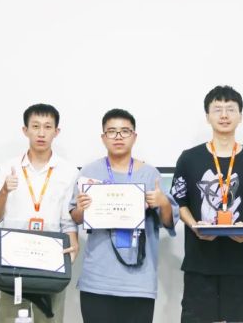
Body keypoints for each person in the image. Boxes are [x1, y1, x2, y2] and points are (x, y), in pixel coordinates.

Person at [70, 108, 179, 323]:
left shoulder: (150, 174)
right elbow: (75, 216)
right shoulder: (89, 172)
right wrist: (81, 209)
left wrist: (163, 202)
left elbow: (168, 221)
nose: (118, 137)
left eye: (125, 131)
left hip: (138, 283)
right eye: (111, 131)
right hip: (97, 280)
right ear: (103, 137)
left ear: (134, 136)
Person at [170, 85, 243, 323]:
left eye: (230, 109)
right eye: (217, 109)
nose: (224, 115)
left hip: (238, 261)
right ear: (207, 116)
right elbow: (179, 201)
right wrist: (194, 226)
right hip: (199, 261)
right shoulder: (189, 158)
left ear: (240, 116)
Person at [0, 104, 79, 323]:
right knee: (11, 319)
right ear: (25, 130)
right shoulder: (6, 168)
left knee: (50, 319)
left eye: (47, 127)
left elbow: (68, 222)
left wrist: (74, 243)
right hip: (12, 262)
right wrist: (4, 191)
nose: (41, 133)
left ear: (57, 131)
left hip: (50, 262)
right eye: (35, 126)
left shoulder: (69, 172)